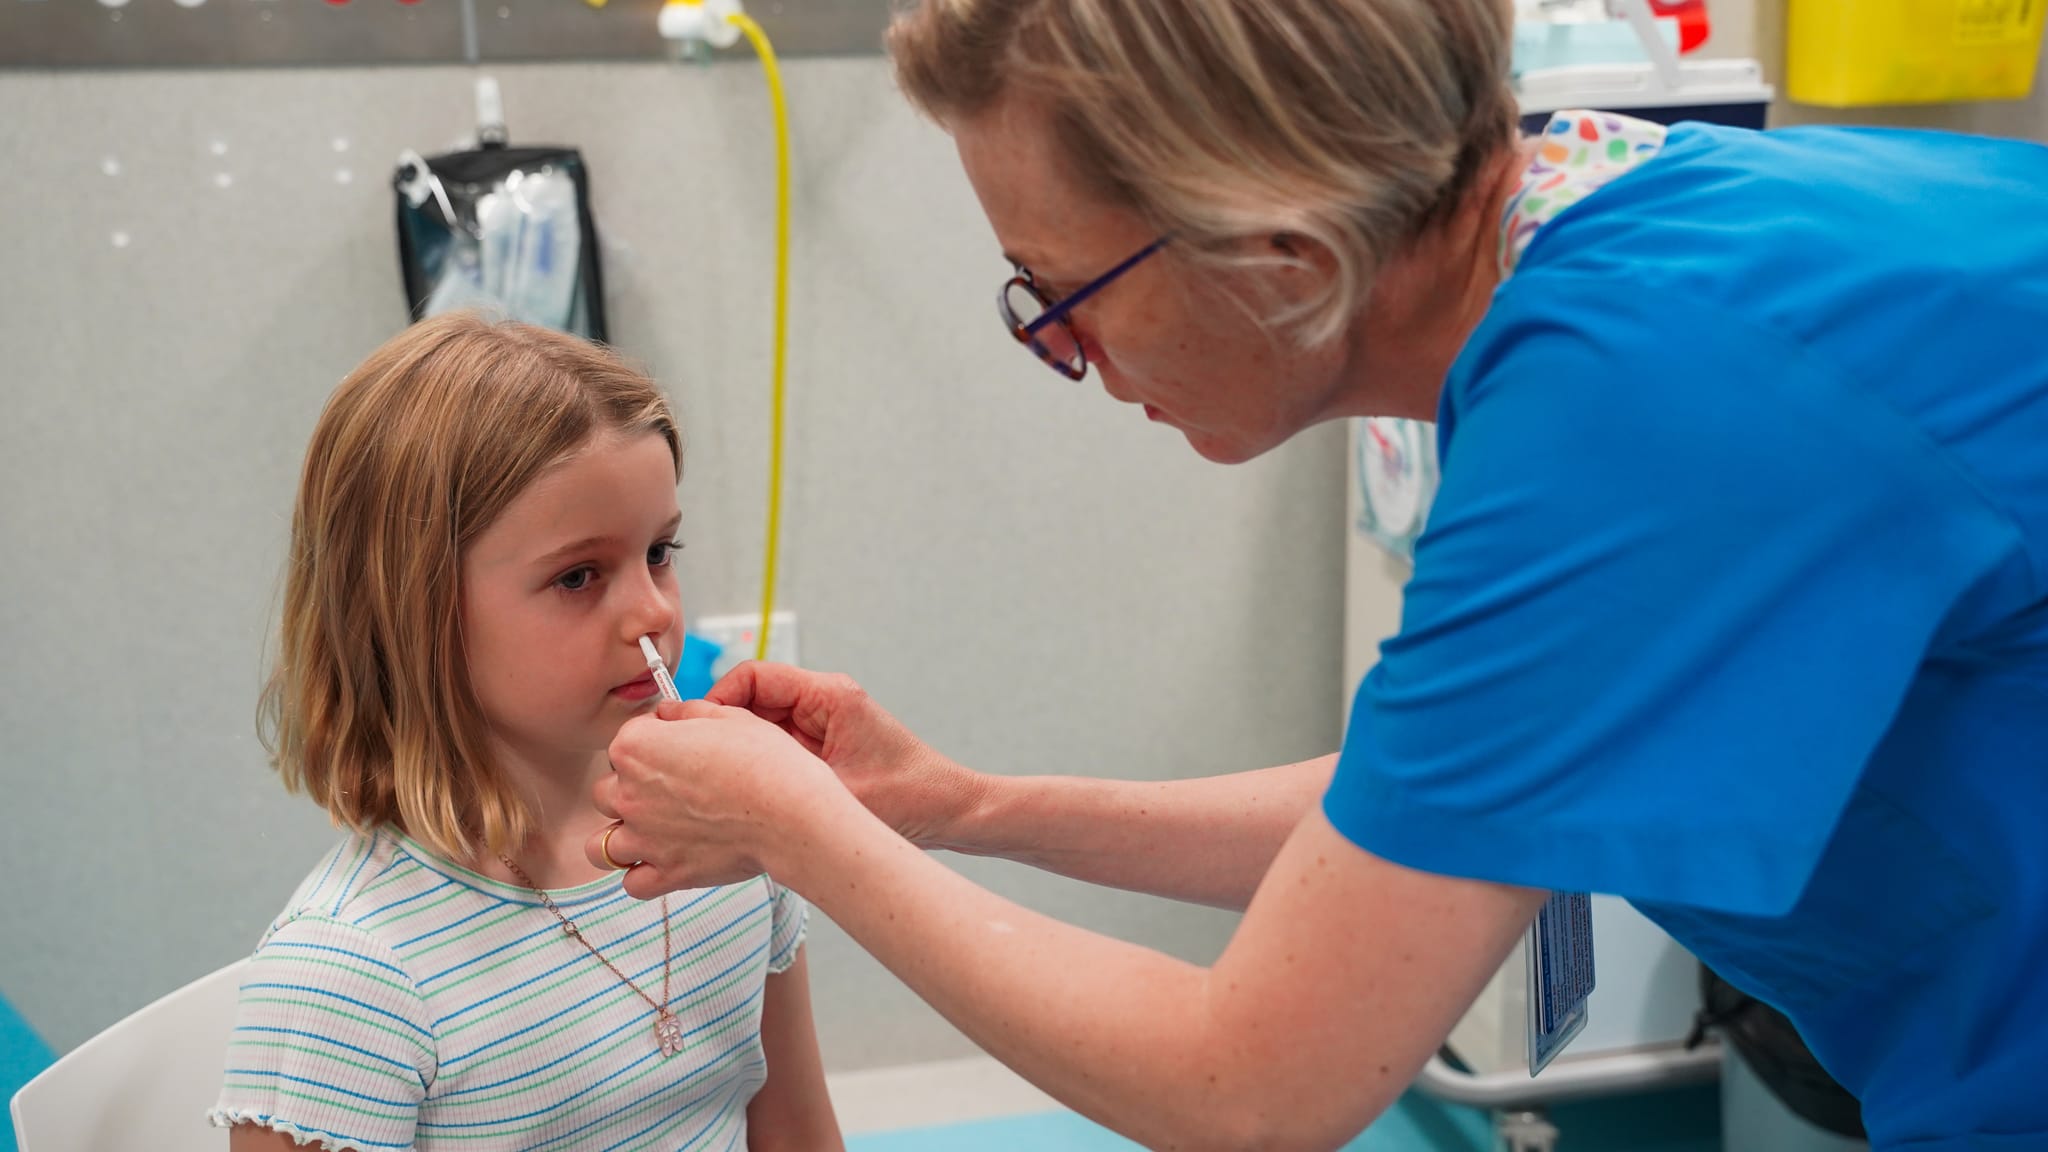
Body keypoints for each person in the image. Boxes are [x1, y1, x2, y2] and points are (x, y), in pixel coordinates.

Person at [588, 1, 2048, 1149]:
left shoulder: (1642, 408)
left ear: (1278, 254)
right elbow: (1424, 810)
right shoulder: (1611, 224)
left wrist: (804, 838)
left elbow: (1248, 1089)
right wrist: (955, 808)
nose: (1065, 355)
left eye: (1062, 296)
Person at [210, 312, 842, 1152]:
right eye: (579, 576)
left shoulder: (728, 843)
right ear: (417, 613)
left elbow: (797, 1129)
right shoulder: (349, 976)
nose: (652, 612)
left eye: (659, 551)